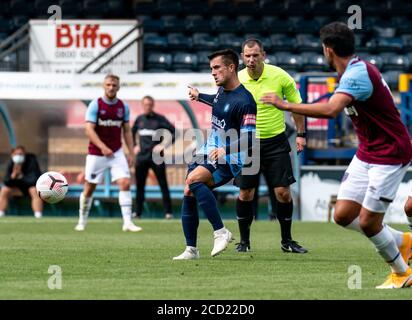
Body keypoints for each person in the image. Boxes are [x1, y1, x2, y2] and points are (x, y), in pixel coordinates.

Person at [263, 22, 412, 289]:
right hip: (368, 152)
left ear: (328, 50)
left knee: (368, 222)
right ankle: (405, 242)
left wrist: (283, 104)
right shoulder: (352, 72)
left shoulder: (357, 75)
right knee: (343, 215)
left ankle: (402, 273)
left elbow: (331, 110)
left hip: (390, 153)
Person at [173, 49, 257, 260]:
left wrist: (225, 150)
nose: (213, 73)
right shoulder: (221, 91)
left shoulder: (246, 102)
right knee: (188, 190)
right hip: (209, 150)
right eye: (211, 69)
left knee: (193, 180)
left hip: (229, 158)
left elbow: (249, 140)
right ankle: (191, 250)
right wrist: (200, 96)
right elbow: (220, 104)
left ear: (231, 67)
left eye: (217, 68)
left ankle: (221, 232)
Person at [234, 38, 308, 253]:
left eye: (255, 55)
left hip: (276, 141)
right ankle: (244, 242)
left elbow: (296, 106)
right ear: (242, 57)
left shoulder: (280, 76)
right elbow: (226, 108)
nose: (251, 59)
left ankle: (287, 241)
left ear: (263, 55)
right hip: (248, 144)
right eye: (247, 56)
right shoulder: (236, 80)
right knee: (245, 193)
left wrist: (301, 134)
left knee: (283, 193)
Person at [74, 74, 142, 232]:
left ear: (118, 87)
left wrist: (131, 153)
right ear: (104, 86)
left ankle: (127, 222)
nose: (111, 87)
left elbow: (126, 131)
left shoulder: (122, 107)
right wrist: (102, 147)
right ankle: (82, 221)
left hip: (116, 152)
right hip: (96, 153)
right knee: (89, 187)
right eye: (109, 85)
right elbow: (89, 130)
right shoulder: (95, 105)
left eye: (114, 85)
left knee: (125, 183)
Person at [132, 95, 176, 220]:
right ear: (142, 105)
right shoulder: (139, 119)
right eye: (145, 105)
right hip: (142, 157)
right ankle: (138, 213)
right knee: (140, 185)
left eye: (150, 105)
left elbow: (174, 132)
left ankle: (168, 213)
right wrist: (134, 146)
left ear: (153, 105)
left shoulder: (160, 119)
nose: (148, 107)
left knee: (163, 184)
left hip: (157, 157)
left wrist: (163, 145)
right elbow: (131, 132)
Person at [0, 146, 43, 218]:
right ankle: (1, 213)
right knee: (5, 190)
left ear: (24, 154)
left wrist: (21, 176)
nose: (18, 156)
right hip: (17, 188)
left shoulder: (31, 161)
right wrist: (13, 176)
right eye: (17, 154)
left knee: (34, 191)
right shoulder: (11, 163)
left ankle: (38, 215)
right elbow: (6, 182)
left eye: (21, 154)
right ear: (13, 155)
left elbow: (34, 180)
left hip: (29, 187)